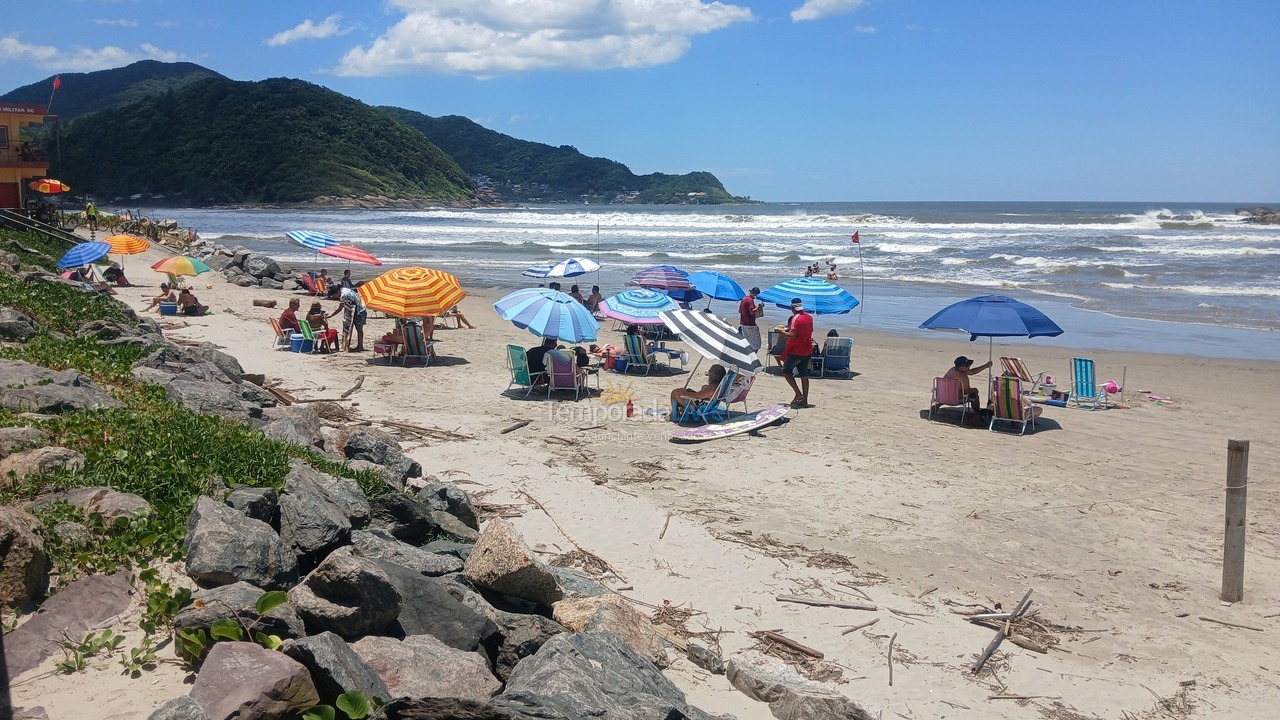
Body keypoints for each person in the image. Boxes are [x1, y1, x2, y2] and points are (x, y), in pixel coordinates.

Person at [778, 298, 814, 408]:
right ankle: (805, 400)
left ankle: (798, 393)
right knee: (804, 374)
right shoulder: (809, 317)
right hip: (807, 349)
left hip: (797, 349)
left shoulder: (795, 319)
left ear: (792, 308)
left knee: (785, 370)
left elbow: (793, 335)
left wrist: (782, 331)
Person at [337, 285, 368, 351]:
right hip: (362, 308)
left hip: (359, 311)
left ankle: (359, 346)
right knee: (358, 329)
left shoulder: (343, 295)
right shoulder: (348, 290)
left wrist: (331, 315)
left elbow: (339, 308)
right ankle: (355, 345)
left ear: (337, 292)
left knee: (358, 329)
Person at [738, 286, 764, 352]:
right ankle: (753, 359)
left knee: (747, 343)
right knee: (756, 345)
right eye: (756, 295)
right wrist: (759, 307)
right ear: (754, 293)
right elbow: (752, 312)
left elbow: (740, 311)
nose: (755, 297)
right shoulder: (750, 300)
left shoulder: (744, 299)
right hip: (750, 325)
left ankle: (748, 358)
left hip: (743, 324)